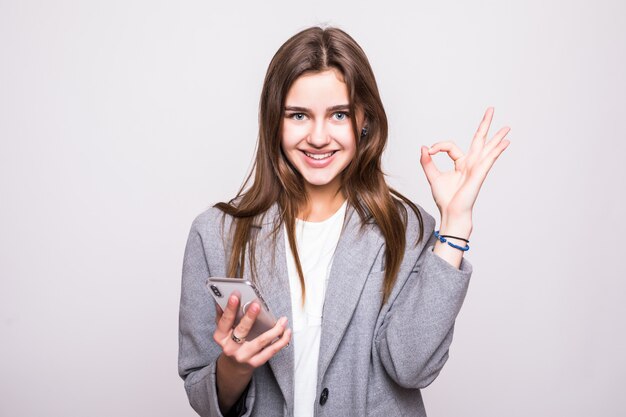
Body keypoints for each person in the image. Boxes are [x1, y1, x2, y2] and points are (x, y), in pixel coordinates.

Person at [178, 26, 510, 417]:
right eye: (298, 115)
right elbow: (200, 393)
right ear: (274, 121)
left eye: (339, 115)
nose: (319, 137)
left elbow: (411, 366)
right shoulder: (215, 234)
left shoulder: (406, 229)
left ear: (364, 119)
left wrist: (454, 225)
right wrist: (235, 364)